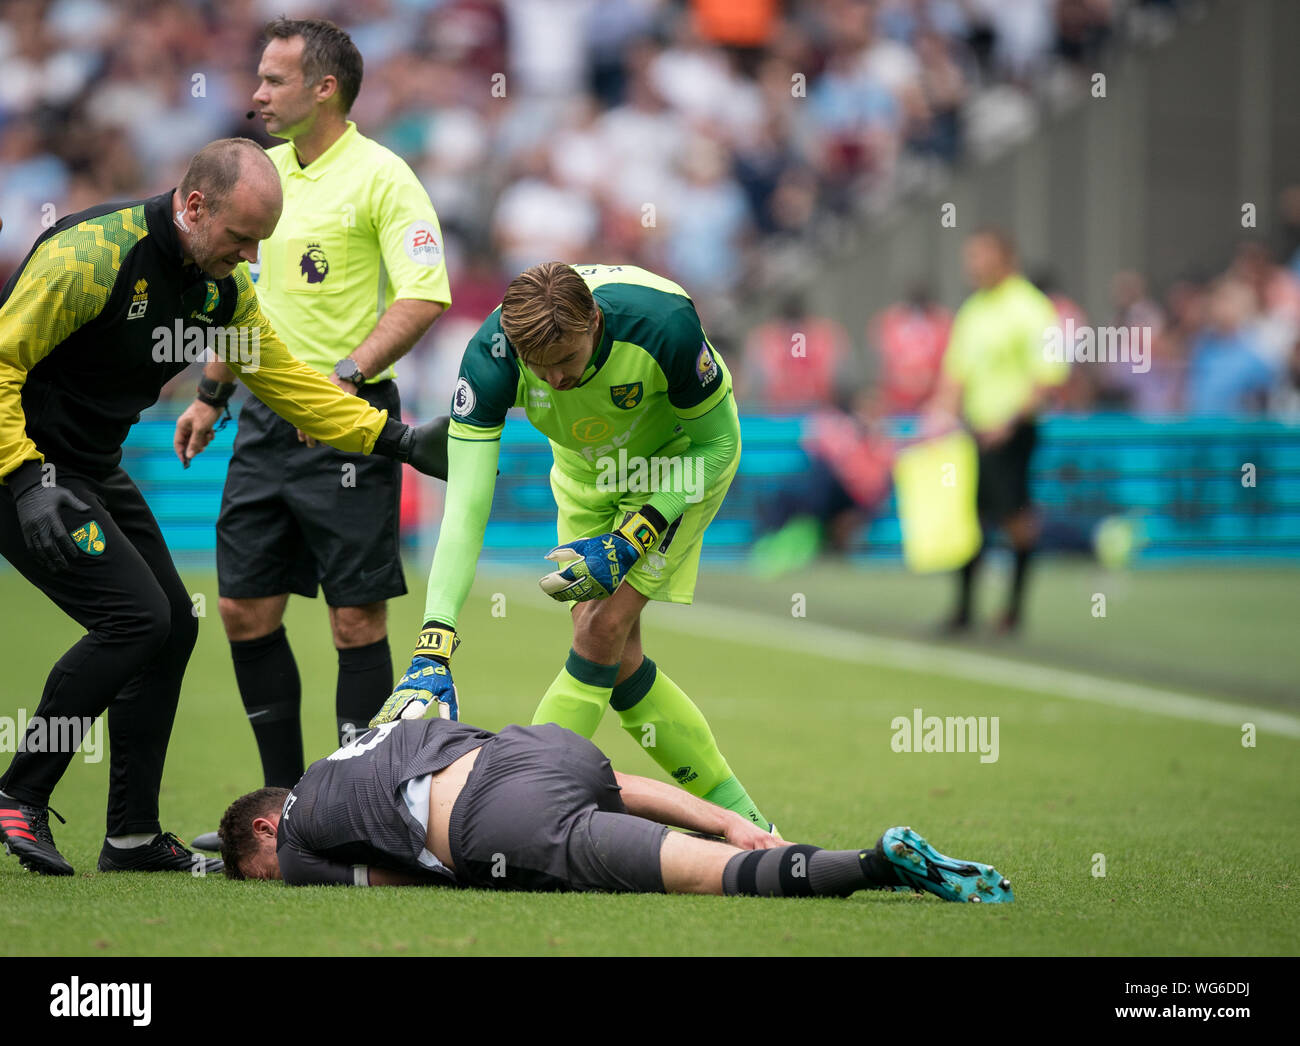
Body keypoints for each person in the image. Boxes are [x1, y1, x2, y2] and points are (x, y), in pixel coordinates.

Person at [0, 138, 447, 878]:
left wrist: (395, 439)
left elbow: (289, 384)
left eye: (259, 246)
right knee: (134, 619)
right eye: (240, 239)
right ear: (195, 205)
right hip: (22, 466)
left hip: (86, 468)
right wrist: (23, 479)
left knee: (171, 627)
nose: (246, 259)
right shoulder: (92, 256)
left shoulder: (224, 289)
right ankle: (19, 791)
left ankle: (133, 840)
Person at [372, 262, 772, 832]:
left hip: (677, 467)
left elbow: (719, 444)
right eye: (540, 367)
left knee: (600, 628)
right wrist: (434, 641)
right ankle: (753, 827)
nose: (555, 380)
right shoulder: (490, 356)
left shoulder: (664, 326)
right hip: (584, 474)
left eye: (566, 360)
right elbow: (464, 507)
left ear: (596, 322)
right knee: (617, 655)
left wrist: (638, 532)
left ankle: (515, 805)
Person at [174, 19, 451, 806]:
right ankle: (283, 802)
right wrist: (211, 392)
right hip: (263, 422)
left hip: (348, 422)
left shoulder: (385, 176)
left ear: (323, 88)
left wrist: (346, 378)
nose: (256, 93)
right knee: (240, 607)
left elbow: (426, 294)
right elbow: (243, 295)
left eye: (273, 79)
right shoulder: (263, 176)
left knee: (354, 622)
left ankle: (353, 805)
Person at [218, 717, 1014, 904]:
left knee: (716, 879)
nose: (272, 875)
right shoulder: (352, 748)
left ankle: (876, 863)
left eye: (256, 870)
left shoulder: (294, 837)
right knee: (698, 830)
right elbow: (618, 780)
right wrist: (729, 812)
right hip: (541, 751)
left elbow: (392, 882)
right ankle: (740, 832)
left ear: (265, 825)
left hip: (500, 820)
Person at [924, 229, 1067, 633]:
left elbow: (1048, 377)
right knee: (967, 517)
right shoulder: (973, 311)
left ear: (1005, 258)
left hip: (1013, 433)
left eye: (979, 257)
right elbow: (955, 375)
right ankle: (964, 610)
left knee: (1015, 517)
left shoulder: (1033, 309)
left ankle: (1013, 611)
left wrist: (1007, 423)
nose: (971, 266)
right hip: (974, 432)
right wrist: (938, 414)